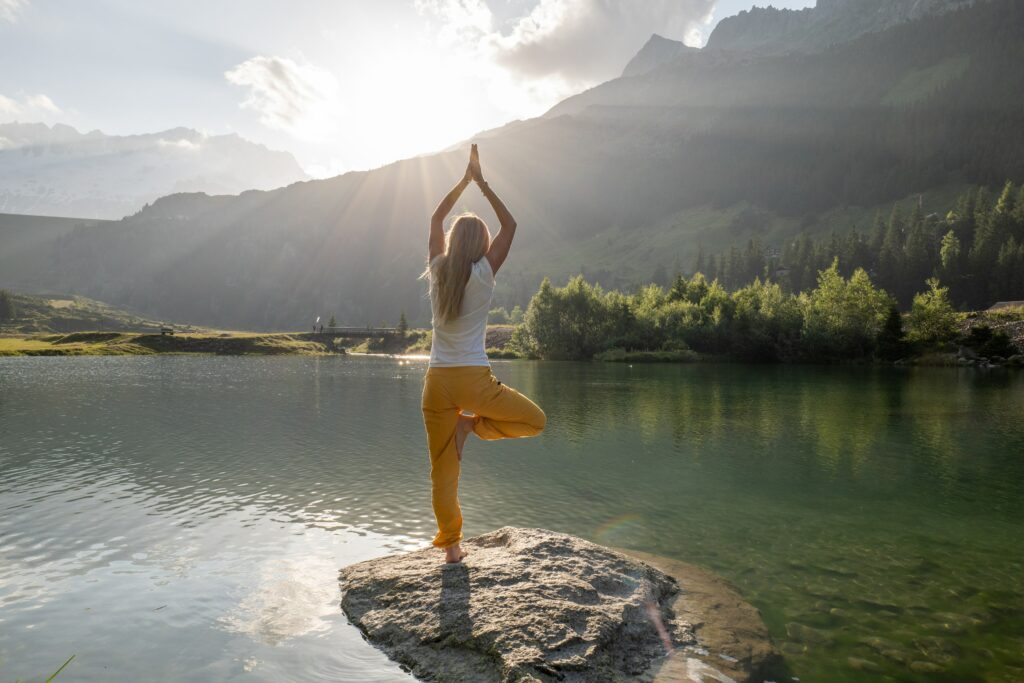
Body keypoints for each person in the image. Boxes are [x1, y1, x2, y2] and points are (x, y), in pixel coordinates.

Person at [421, 144, 546, 564]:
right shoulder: (485, 273)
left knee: (443, 471)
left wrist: (461, 182)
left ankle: (452, 547)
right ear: (482, 243)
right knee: (535, 421)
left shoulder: (438, 270)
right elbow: (511, 224)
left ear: (454, 241)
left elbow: (437, 218)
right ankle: (470, 428)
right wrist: (482, 183)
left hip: (437, 383)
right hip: (474, 382)